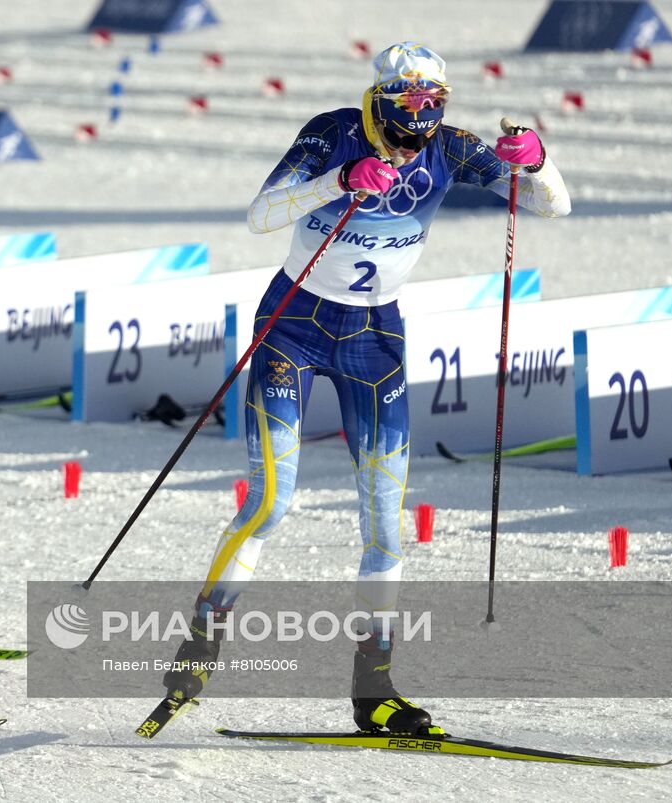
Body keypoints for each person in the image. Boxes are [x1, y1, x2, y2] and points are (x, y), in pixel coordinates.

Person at [162, 42, 570, 733]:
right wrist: (342, 179)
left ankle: (373, 689)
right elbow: (261, 215)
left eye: (434, 104)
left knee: (385, 526)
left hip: (374, 340)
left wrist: (538, 161)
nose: (422, 117)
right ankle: (198, 648)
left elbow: (550, 205)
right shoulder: (333, 133)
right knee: (270, 501)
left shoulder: (451, 148)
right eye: (409, 102)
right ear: (380, 97)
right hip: (293, 324)